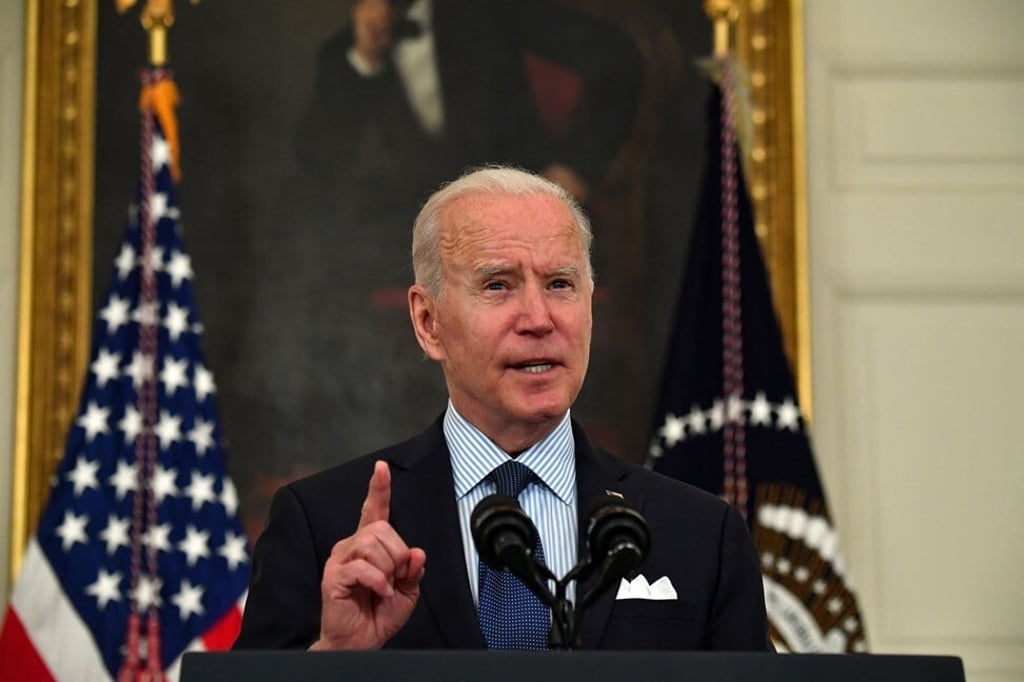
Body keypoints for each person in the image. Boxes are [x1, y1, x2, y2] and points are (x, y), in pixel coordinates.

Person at [234, 166, 772, 651]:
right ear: (428, 323)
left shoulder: (701, 534)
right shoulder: (321, 526)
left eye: (560, 284)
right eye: (498, 285)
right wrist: (333, 661)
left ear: (588, 304)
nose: (538, 318)